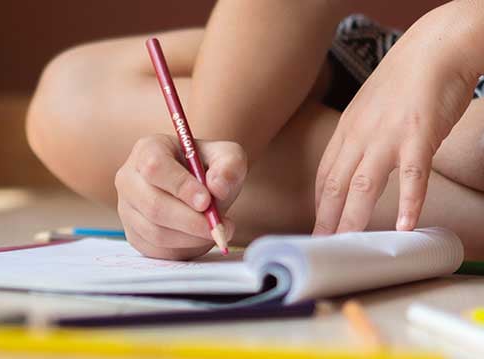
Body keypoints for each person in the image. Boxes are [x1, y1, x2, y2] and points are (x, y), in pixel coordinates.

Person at [26, 0, 484, 260]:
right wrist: (196, 177)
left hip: (461, 59)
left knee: (471, 144)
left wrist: (461, 30)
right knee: (72, 98)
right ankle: (209, 188)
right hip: (393, 58)